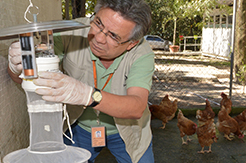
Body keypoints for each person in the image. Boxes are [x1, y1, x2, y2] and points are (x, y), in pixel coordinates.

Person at [8, 0, 155, 162]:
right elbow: (31, 80)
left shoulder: (141, 53)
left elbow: (137, 107)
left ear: (131, 44)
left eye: (113, 36)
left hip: (127, 132)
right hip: (78, 129)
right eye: (98, 23)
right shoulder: (73, 30)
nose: (99, 38)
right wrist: (17, 67)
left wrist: (87, 95)